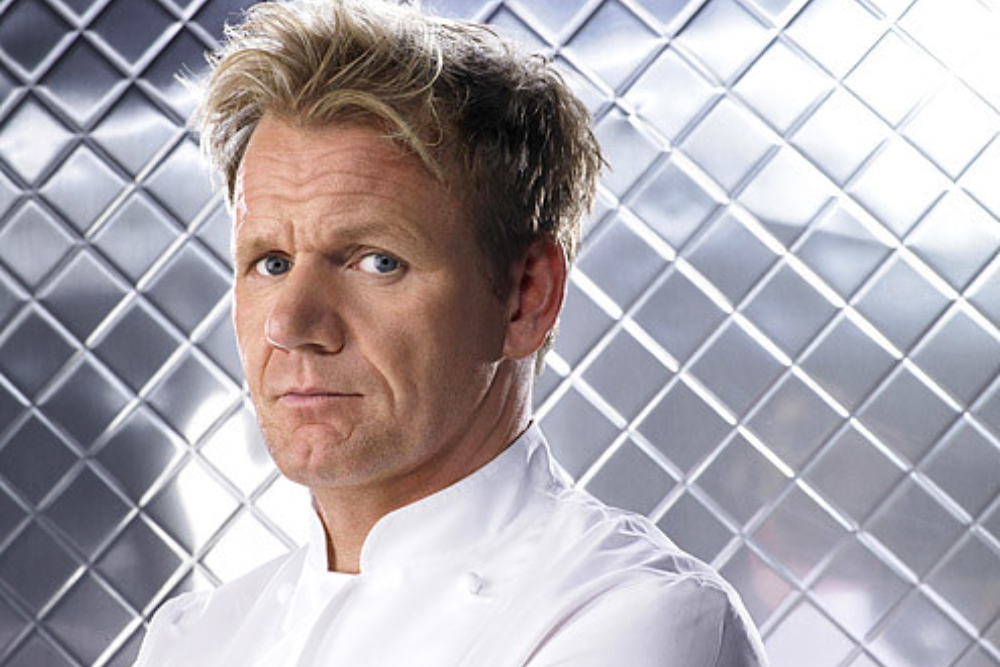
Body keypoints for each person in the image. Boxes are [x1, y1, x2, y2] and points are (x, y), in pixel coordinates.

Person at [133, 1, 768, 665]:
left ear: (526, 297)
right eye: (271, 262)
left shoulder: (637, 618)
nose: (290, 325)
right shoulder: (195, 637)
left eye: (377, 261)